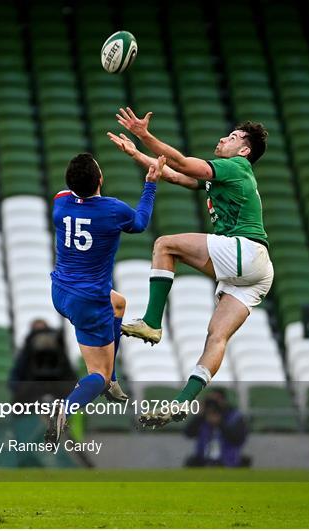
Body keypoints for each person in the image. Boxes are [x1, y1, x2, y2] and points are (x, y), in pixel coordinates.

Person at [107, 107, 274, 428]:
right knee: (216, 337)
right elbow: (172, 174)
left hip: (246, 250)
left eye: (234, 137)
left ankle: (152, 322)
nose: (225, 138)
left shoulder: (236, 166)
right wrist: (136, 153)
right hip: (258, 272)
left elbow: (182, 162)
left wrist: (144, 135)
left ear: (245, 150)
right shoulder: (225, 174)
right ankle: (182, 402)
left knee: (165, 244)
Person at [45, 152, 165, 443]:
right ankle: (67, 406)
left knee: (119, 303)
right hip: (89, 301)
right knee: (97, 373)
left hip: (61, 291)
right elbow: (139, 223)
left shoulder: (60, 203)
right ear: (101, 179)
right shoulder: (113, 210)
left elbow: (73, 193)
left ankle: (111, 380)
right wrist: (150, 184)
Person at [9, 319, 76, 404]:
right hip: (31, 404)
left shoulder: (60, 356)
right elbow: (14, 383)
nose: (43, 340)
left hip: (59, 402)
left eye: (45, 333)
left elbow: (72, 383)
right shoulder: (25, 356)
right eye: (37, 334)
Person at [184, 389, 249, 468]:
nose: (213, 404)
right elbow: (188, 433)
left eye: (216, 401)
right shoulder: (203, 417)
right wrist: (200, 415)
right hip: (203, 460)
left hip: (228, 461)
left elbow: (238, 439)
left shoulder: (235, 416)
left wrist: (220, 423)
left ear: (224, 401)